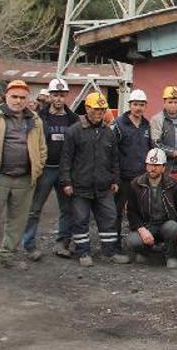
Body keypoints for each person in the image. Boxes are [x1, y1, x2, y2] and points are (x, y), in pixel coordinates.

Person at [0, 80, 47, 281]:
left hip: (24, 179)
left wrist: (37, 168)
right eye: (14, 96)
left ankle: (6, 256)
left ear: (28, 99)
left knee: (17, 221)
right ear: (6, 96)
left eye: (23, 97)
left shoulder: (35, 120)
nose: (18, 101)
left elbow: (42, 148)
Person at [59, 92, 130, 267]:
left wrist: (115, 180)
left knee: (109, 218)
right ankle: (83, 252)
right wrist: (66, 182)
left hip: (104, 187)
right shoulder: (74, 132)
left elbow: (114, 159)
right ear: (87, 108)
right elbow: (66, 160)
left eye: (102, 109)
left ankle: (110, 251)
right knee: (81, 219)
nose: (100, 112)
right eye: (96, 109)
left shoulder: (109, 132)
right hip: (80, 187)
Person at [22, 78, 79, 260]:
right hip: (45, 169)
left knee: (67, 209)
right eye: (55, 95)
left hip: (65, 170)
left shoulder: (73, 119)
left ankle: (62, 243)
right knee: (35, 208)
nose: (58, 99)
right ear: (50, 96)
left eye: (62, 95)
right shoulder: (38, 118)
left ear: (66, 96)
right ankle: (29, 244)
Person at [125, 148, 177, 268]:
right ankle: (146, 251)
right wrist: (141, 229)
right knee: (132, 241)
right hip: (147, 225)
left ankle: (170, 254)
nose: (152, 168)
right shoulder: (136, 184)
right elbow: (131, 212)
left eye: (156, 165)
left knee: (172, 227)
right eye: (150, 165)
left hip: (166, 224)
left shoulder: (174, 185)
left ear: (164, 167)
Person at [113, 89, 151, 252]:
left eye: (141, 105)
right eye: (135, 104)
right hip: (123, 177)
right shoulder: (119, 124)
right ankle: (114, 244)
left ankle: (140, 244)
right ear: (130, 105)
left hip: (142, 178)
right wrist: (114, 177)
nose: (138, 108)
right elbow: (112, 151)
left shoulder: (146, 125)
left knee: (140, 211)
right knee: (117, 212)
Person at [151, 86, 177, 186]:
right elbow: (156, 144)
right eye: (170, 102)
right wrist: (176, 153)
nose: (173, 105)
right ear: (164, 102)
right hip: (166, 169)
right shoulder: (157, 119)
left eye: (175, 102)